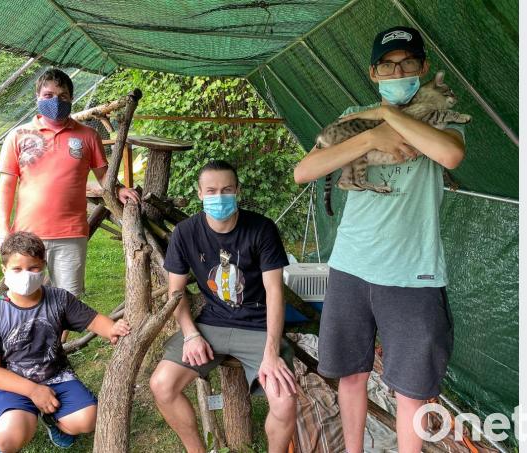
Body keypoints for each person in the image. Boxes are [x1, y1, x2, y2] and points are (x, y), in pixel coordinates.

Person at [293, 26, 465, 453]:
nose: (398, 72)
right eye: (388, 65)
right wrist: (371, 135)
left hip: (414, 274)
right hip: (351, 266)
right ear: (374, 73)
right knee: (351, 374)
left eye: (408, 63)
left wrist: (389, 115)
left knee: (411, 390)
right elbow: (305, 171)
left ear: (423, 68)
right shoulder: (356, 116)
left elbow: (450, 155)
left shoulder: (437, 115)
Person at [149, 160, 298, 453]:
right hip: (210, 324)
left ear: (238, 191)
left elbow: (274, 292)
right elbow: (175, 292)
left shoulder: (261, 229)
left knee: (285, 402)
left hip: (258, 326)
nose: (220, 197)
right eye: (212, 191)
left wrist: (271, 353)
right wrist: (191, 334)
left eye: (227, 189)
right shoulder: (185, 233)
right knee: (161, 385)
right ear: (200, 194)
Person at [0, 231, 131, 452]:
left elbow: (93, 320)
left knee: (88, 419)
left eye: (33, 268)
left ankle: (53, 422)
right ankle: (9, 427)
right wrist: (33, 391)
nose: (26, 275)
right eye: (17, 269)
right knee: (7, 437)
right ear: (4, 270)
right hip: (12, 385)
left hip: (56, 375)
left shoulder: (59, 299)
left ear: (44, 267)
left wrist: (112, 328)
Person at [0, 68, 140, 299]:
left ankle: (58, 327)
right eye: (48, 95)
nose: (56, 101)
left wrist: (119, 188)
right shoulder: (18, 136)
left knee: (67, 300)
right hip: (27, 234)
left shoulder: (88, 136)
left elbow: (103, 174)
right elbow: (6, 184)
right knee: (24, 297)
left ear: (71, 98)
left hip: (70, 234)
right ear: (37, 97)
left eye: (62, 96)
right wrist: (3, 230)